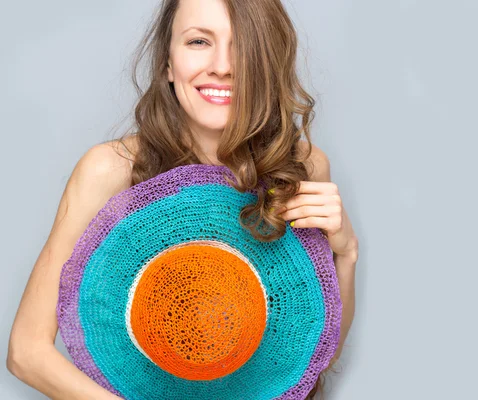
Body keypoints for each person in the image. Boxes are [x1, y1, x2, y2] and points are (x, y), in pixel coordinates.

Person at [6, 0, 359, 398]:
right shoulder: (109, 171)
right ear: (167, 64)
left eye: (242, 43)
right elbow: (27, 351)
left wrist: (345, 253)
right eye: (198, 42)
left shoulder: (302, 167)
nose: (223, 66)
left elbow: (315, 356)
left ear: (268, 60)